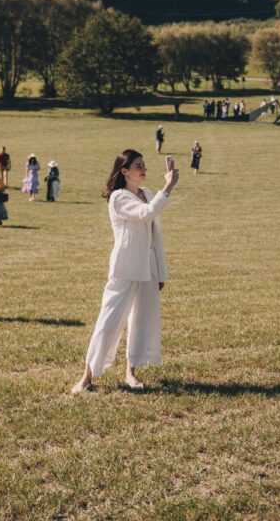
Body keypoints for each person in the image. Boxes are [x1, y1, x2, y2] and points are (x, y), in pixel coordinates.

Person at [72, 149, 178, 394]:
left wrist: (160, 272)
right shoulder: (118, 197)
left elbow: (156, 236)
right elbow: (145, 213)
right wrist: (169, 186)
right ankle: (87, 376)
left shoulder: (147, 193)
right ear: (124, 171)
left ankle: (131, 372)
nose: (143, 169)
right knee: (109, 320)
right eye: (138, 165)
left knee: (141, 320)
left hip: (148, 268)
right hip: (125, 267)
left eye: (144, 164)